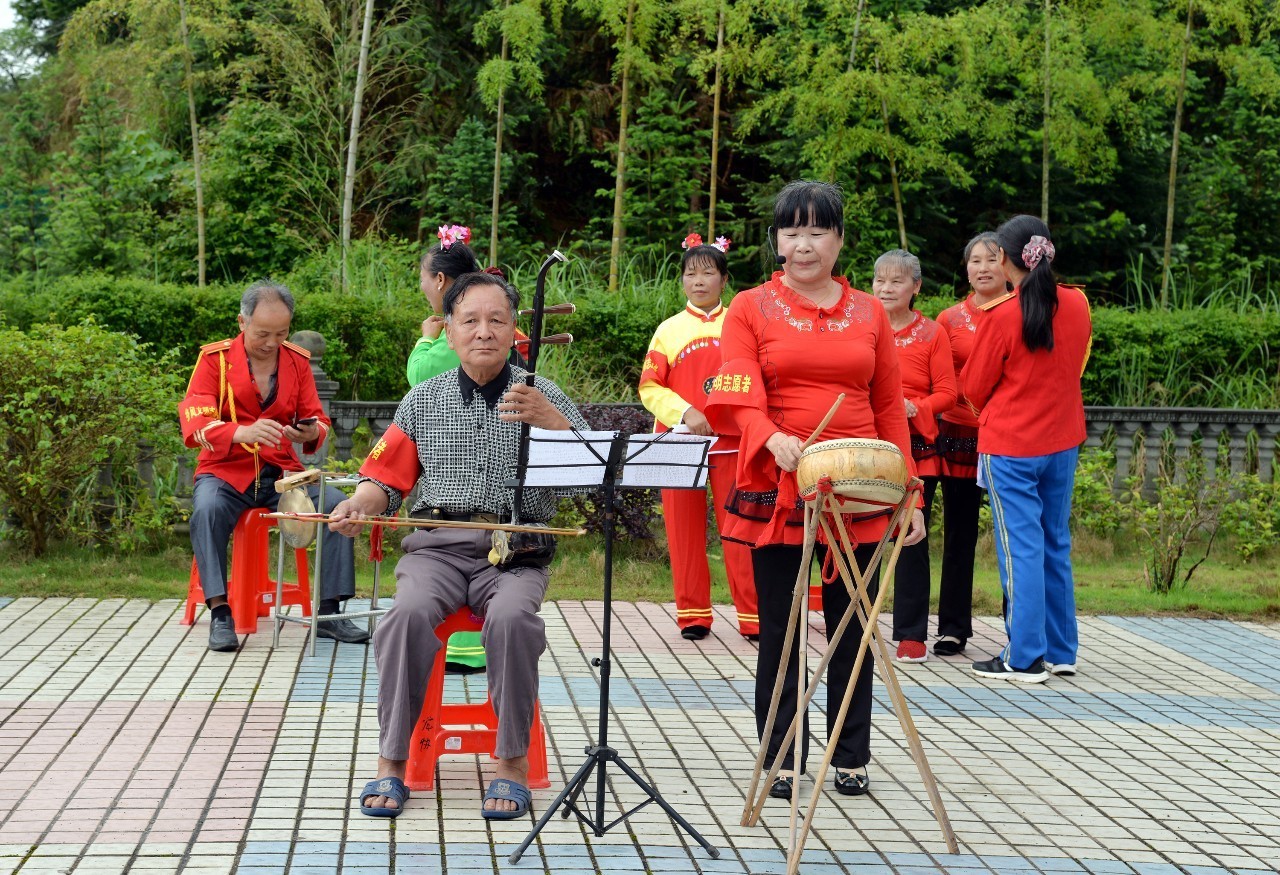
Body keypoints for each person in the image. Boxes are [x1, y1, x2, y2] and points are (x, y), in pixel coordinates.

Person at [329, 271, 589, 820]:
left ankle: (510, 763)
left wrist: (557, 425)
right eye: (470, 320)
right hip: (436, 547)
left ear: (516, 329)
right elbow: (385, 478)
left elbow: (590, 478)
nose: (484, 332)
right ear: (448, 331)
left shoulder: (544, 395)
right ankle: (392, 762)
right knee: (405, 615)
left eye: (497, 320)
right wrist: (360, 506)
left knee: (515, 621)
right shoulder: (423, 399)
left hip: (513, 551)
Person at [705, 181, 925, 801]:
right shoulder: (749, 307)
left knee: (853, 624)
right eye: (792, 231)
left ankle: (849, 754)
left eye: (817, 231)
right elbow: (734, 391)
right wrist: (765, 433)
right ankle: (782, 756)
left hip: (861, 484)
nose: (804, 245)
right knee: (783, 625)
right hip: (783, 481)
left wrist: (911, 493)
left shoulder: (871, 312)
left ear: (839, 240)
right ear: (776, 240)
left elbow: (888, 404)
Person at [179, 281, 369, 652]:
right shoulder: (214, 360)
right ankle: (220, 613)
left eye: (281, 333)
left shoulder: (297, 361)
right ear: (242, 322)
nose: (272, 342)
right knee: (206, 510)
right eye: (263, 333)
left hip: (282, 473)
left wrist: (310, 431)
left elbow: (317, 419)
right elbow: (194, 422)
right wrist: (240, 432)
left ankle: (330, 613)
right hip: (224, 471)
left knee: (335, 505)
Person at [962, 215, 1091, 684]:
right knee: (1055, 543)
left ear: (1002, 258)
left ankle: (1024, 656)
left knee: (1021, 549)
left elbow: (972, 388)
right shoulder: (1078, 303)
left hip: (1012, 445)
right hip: (1063, 441)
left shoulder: (1001, 315)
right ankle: (1061, 650)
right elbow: (1074, 364)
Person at [638, 232, 759, 642]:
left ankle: (754, 618)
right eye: (691, 274)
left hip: (734, 440)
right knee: (682, 529)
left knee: (740, 527)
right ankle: (693, 615)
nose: (699, 281)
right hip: (678, 440)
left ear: (725, 280)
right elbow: (649, 387)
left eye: (708, 273)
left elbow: (752, 378)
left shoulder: (742, 325)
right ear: (682, 282)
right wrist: (687, 413)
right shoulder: (668, 330)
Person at [871, 249, 956, 664]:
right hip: (866, 444)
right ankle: (852, 622)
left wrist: (914, 406)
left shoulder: (932, 332)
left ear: (916, 287)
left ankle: (910, 634)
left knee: (911, 536)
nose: (886, 288)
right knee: (859, 532)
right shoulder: (862, 323)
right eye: (880, 281)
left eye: (896, 281)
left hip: (916, 449)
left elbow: (948, 392)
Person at [932, 232, 1005, 657]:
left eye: (991, 260)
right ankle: (953, 629)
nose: (982, 268)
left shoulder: (1022, 313)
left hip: (1008, 436)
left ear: (1008, 265)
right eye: (974, 260)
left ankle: (1023, 630)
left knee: (1014, 535)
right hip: (957, 433)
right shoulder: (949, 319)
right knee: (958, 532)